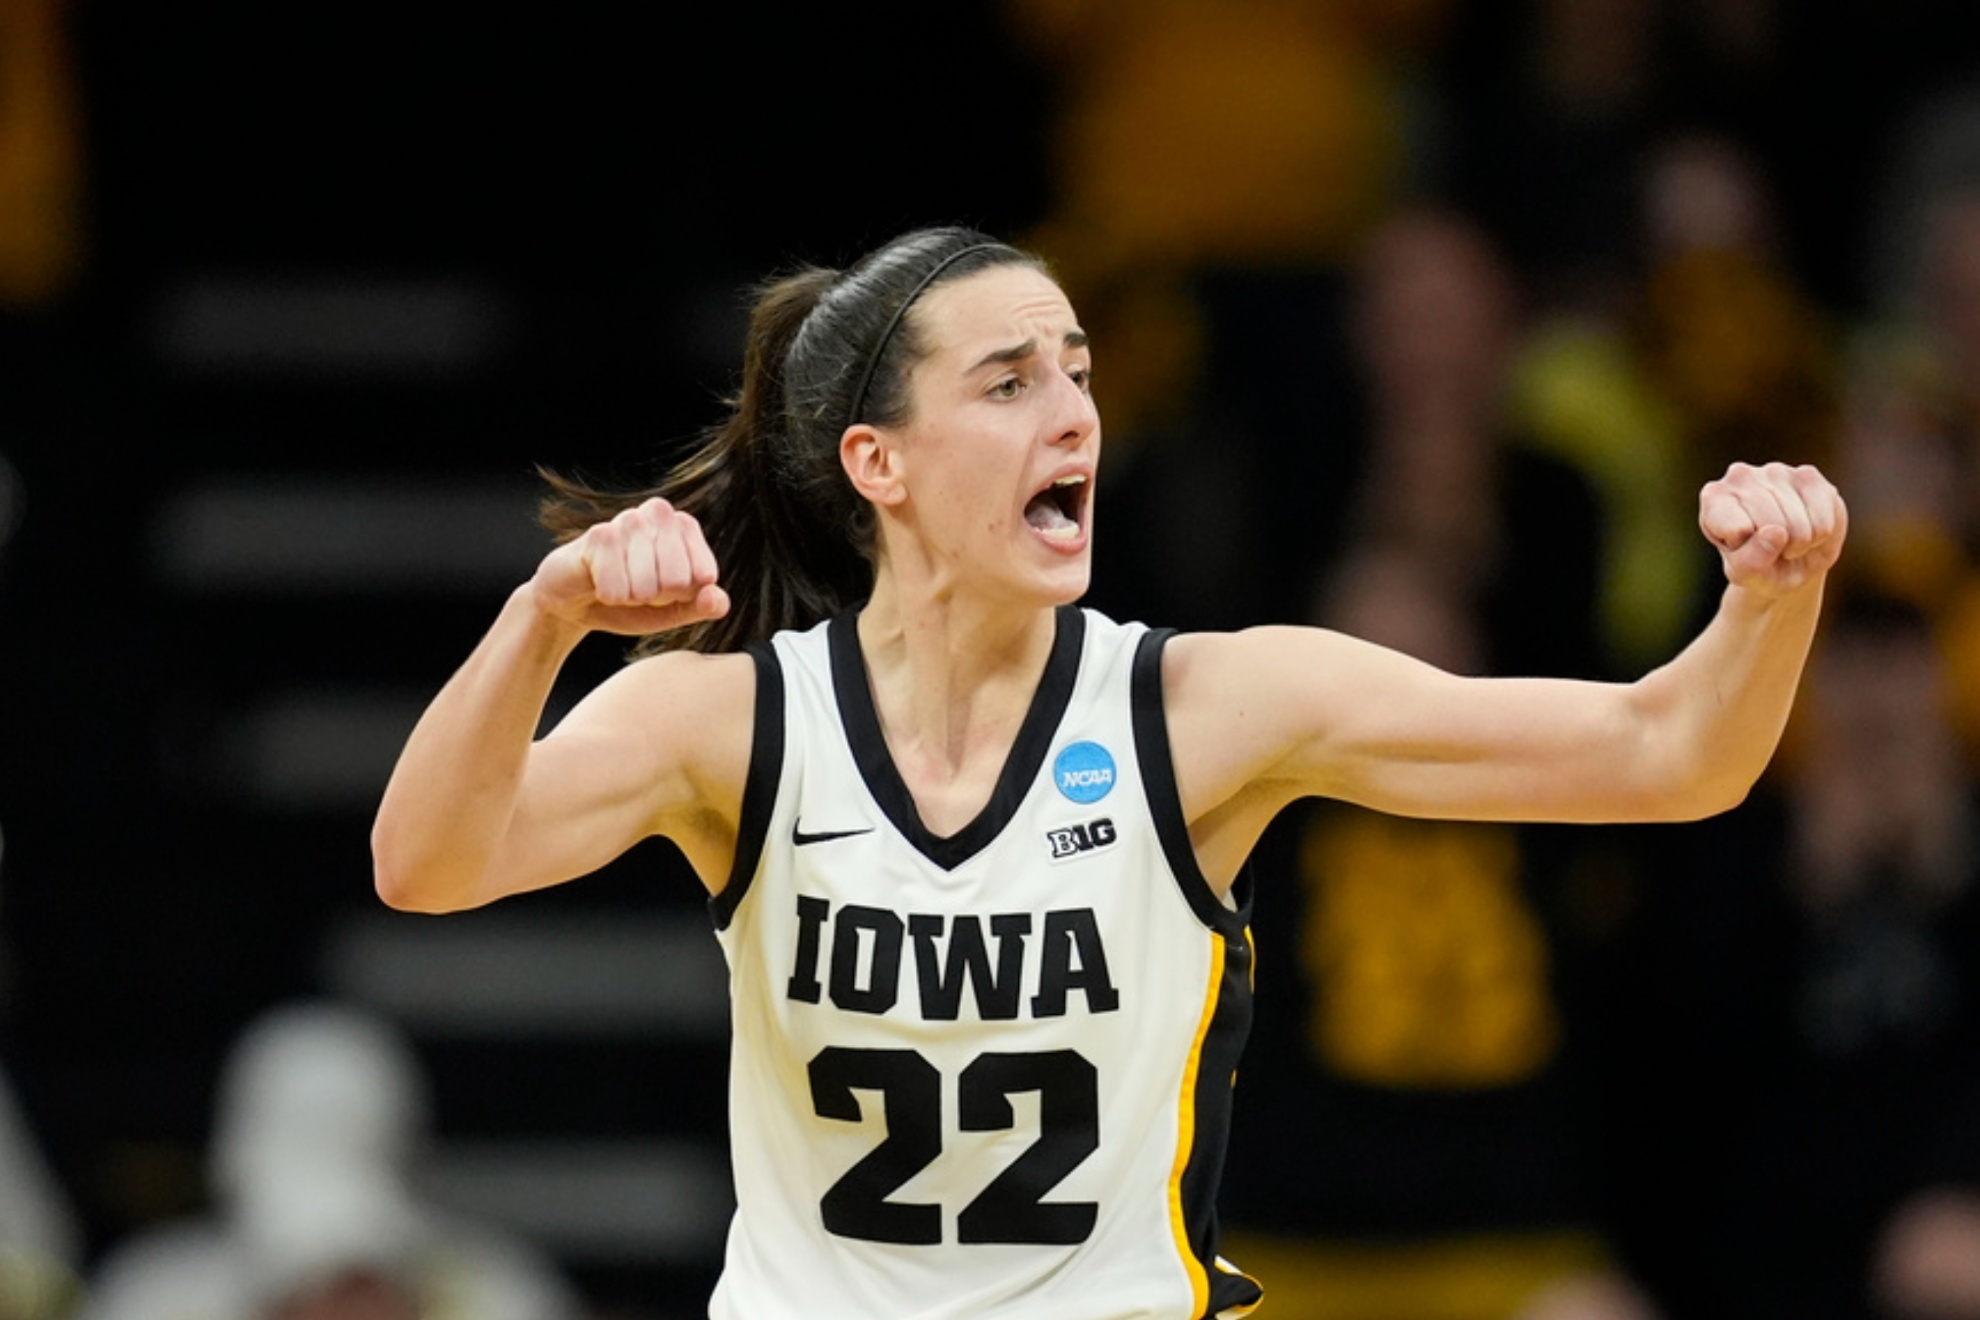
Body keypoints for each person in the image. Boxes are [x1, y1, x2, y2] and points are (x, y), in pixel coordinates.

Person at [370, 225, 1848, 1320]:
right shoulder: (732, 722)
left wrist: (1774, 598)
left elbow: (1669, 755)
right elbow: (426, 865)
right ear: (877, 463)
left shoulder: (1204, 708)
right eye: (1009, 382)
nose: (1074, 413)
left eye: (1077, 373)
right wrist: (543, 616)